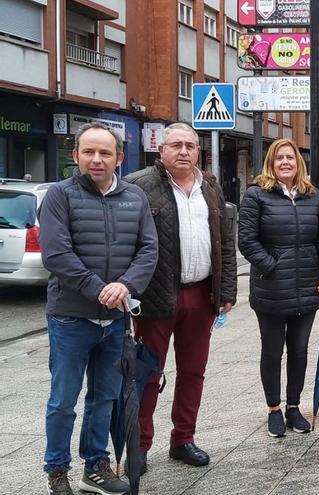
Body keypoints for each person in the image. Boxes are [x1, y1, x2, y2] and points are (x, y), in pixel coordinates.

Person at [39, 122, 158, 495]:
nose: (96, 159)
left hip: (115, 319)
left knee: (104, 397)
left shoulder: (134, 198)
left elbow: (149, 249)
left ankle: (96, 467)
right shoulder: (59, 196)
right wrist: (99, 288)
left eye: (105, 153)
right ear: (75, 156)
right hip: (70, 317)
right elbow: (56, 254)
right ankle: (57, 470)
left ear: (119, 158)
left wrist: (125, 285)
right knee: (63, 400)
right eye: (88, 152)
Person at [124, 122, 237, 470]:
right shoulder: (138, 186)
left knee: (193, 372)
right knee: (147, 373)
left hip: (201, 296)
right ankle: (139, 446)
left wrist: (227, 289)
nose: (184, 151)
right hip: (156, 298)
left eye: (190, 145)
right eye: (176, 145)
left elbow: (225, 243)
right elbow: (126, 244)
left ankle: (183, 439)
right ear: (162, 151)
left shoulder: (211, 187)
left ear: (198, 152)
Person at [238, 138, 319, 437]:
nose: (286, 162)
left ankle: (294, 408)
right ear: (271, 163)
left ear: (299, 163)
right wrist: (273, 265)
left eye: (291, 158)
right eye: (279, 158)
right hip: (271, 289)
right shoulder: (256, 195)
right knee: (272, 352)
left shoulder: (312, 196)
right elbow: (246, 241)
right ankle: (274, 408)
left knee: (299, 352)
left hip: (307, 287)